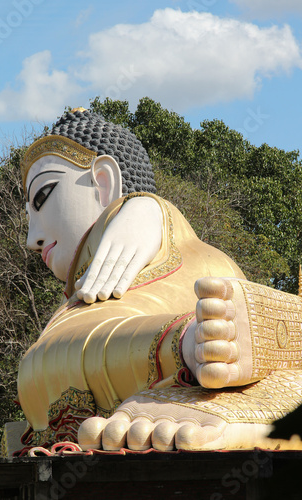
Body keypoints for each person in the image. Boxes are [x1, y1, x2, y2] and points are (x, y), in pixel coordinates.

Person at [17, 108, 302, 454]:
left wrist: (188, 344)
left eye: (42, 197)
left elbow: (43, 364)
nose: (32, 239)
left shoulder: (174, 249)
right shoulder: (101, 280)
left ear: (103, 183)